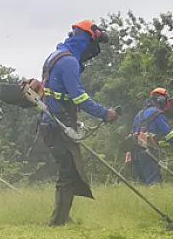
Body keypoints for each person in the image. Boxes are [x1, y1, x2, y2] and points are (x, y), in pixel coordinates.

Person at [41, 20, 118, 226]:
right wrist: (104, 113)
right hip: (60, 124)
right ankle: (58, 222)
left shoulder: (56, 56)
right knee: (67, 171)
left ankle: (64, 217)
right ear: (87, 41)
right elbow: (79, 97)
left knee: (70, 169)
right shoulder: (69, 62)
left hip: (52, 122)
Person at [130, 88, 173, 185]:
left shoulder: (139, 114)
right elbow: (170, 135)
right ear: (161, 100)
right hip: (148, 152)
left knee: (141, 185)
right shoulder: (157, 113)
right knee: (154, 183)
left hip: (134, 153)